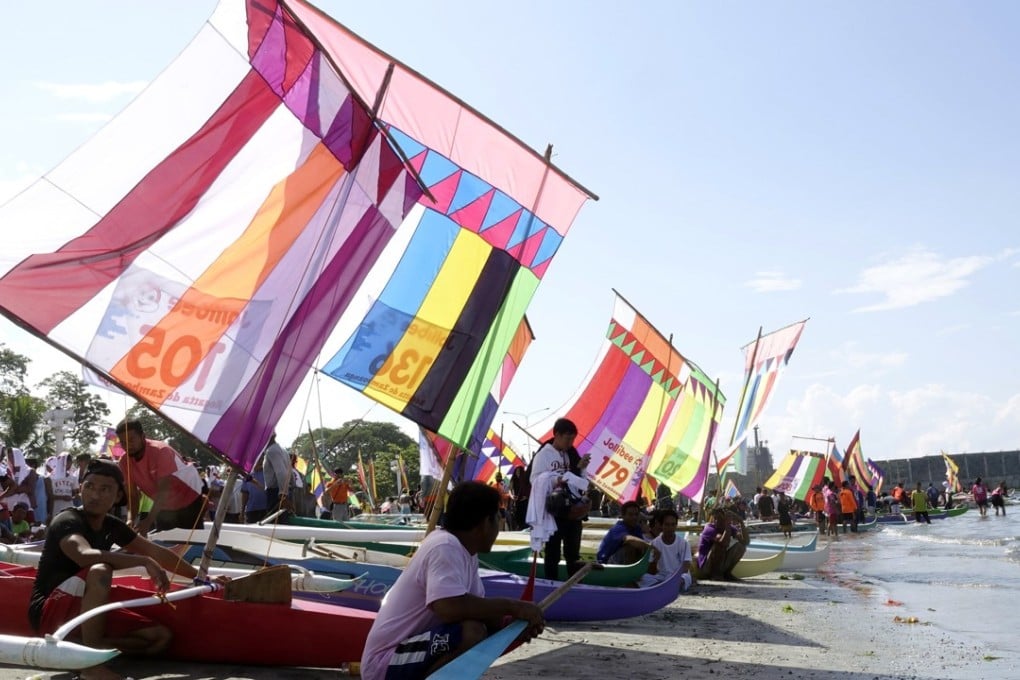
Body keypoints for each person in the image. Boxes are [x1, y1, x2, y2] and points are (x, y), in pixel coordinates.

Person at [29, 459, 219, 680]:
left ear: (118, 496)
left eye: (105, 489)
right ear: (80, 488)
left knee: (159, 638)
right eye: (89, 486)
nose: (95, 495)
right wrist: (142, 562)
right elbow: (83, 556)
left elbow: (156, 552)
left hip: (85, 611)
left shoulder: (112, 524)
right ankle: (90, 667)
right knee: (100, 569)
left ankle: (87, 645)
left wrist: (203, 577)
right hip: (50, 609)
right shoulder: (67, 520)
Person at [360, 481, 545, 679]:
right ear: (484, 523)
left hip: (407, 653)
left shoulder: (465, 551)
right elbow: (448, 608)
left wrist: (515, 626)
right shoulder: (445, 547)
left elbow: (481, 612)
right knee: (471, 632)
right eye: (497, 519)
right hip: (384, 663)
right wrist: (513, 606)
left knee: (476, 628)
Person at [115, 418, 206, 534]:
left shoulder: (161, 451)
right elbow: (133, 495)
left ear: (143, 436)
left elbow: (164, 491)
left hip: (189, 498)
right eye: (123, 442)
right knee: (164, 542)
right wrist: (130, 519)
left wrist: (148, 521)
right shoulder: (124, 462)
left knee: (189, 543)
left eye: (131, 440)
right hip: (164, 505)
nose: (127, 445)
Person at [526, 418, 591, 580]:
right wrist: (555, 480)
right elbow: (534, 480)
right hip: (554, 511)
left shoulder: (570, 454)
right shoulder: (543, 455)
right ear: (557, 435)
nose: (570, 443)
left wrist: (581, 468)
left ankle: (574, 585)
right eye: (567, 438)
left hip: (572, 511)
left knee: (573, 552)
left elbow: (577, 480)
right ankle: (550, 585)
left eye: (573, 439)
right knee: (553, 552)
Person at [645, 508, 693, 591]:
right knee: (644, 578)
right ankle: (666, 587)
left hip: (678, 576)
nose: (670, 528)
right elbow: (651, 571)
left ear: (676, 525)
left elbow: (686, 566)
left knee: (685, 578)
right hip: (661, 576)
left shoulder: (683, 543)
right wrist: (655, 561)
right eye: (667, 524)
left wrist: (673, 578)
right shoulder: (654, 544)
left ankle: (664, 586)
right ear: (661, 525)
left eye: (673, 524)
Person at [596, 500, 656, 565]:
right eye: (630, 515)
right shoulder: (619, 527)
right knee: (631, 546)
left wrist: (647, 531)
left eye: (636, 514)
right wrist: (652, 548)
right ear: (623, 516)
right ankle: (629, 572)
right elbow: (629, 539)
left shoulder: (637, 528)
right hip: (605, 563)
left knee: (642, 548)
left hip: (621, 560)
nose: (634, 517)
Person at [696, 508, 749, 581]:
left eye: (720, 518)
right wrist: (727, 524)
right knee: (719, 545)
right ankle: (715, 574)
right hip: (706, 567)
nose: (717, 521)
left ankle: (727, 573)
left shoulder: (729, 528)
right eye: (715, 518)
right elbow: (723, 542)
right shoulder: (709, 528)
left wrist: (741, 522)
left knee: (740, 547)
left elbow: (745, 542)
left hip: (720, 565)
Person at [260, 431, 291, 517]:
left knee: (276, 522)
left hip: (275, 493)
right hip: (281, 491)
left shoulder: (271, 451)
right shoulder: (283, 450)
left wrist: (283, 494)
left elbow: (281, 472)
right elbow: (288, 472)